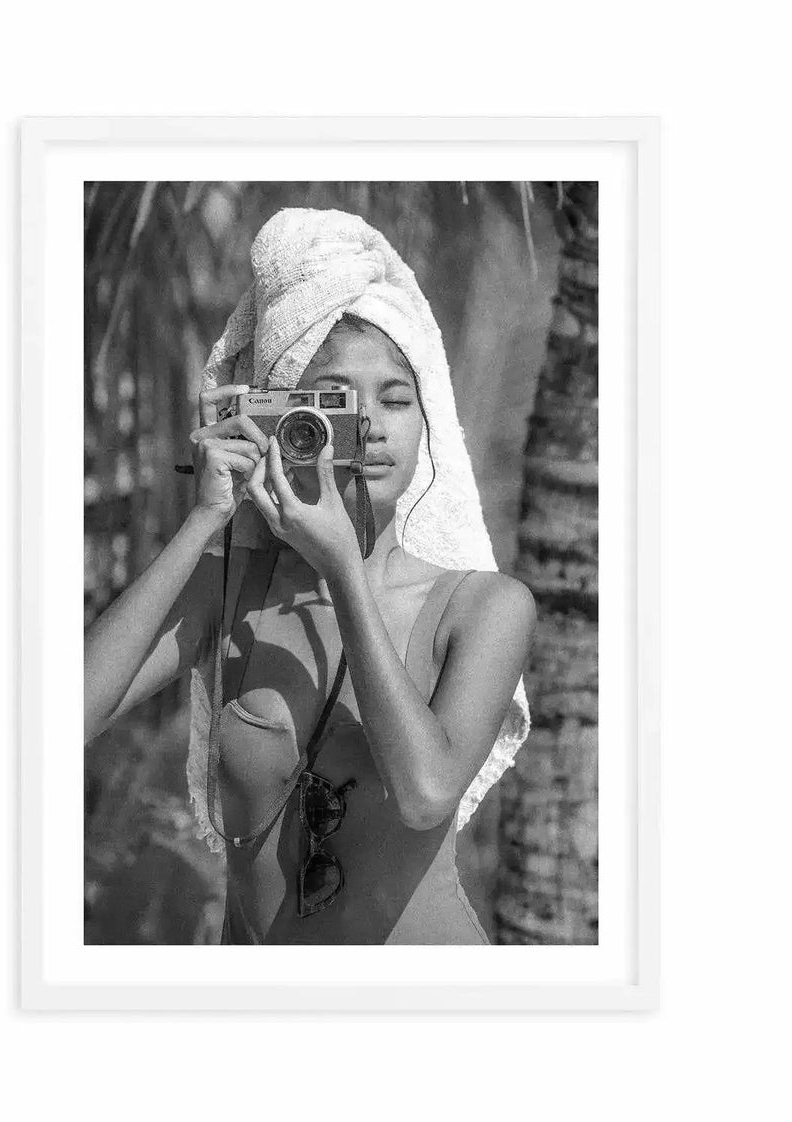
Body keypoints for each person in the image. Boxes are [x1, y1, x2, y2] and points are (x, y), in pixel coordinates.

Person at [84, 207, 536, 945]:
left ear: (429, 425)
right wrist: (204, 519)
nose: (373, 424)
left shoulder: (485, 606)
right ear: (282, 412)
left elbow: (424, 793)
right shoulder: (229, 586)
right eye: (332, 401)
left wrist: (344, 575)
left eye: (397, 397)